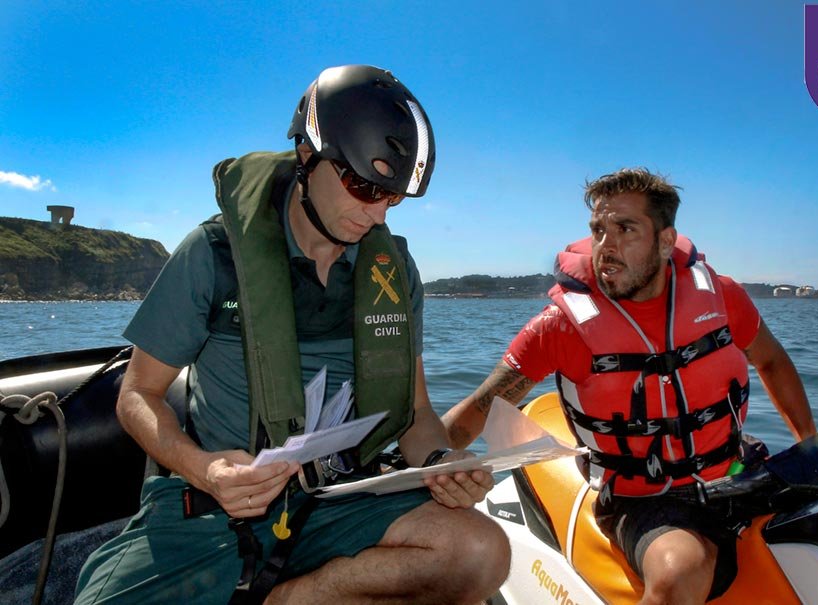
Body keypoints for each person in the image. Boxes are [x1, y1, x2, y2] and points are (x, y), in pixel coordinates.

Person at [74, 65, 509, 605]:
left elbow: (417, 415)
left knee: (481, 552)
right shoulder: (213, 256)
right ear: (308, 156)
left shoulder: (394, 273)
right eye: (362, 185)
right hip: (216, 505)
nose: (375, 214)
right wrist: (204, 469)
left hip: (340, 500)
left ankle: (287, 598)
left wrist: (443, 464)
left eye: (392, 198)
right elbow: (138, 394)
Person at [443, 168, 816, 605]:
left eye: (625, 229)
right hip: (642, 499)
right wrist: (421, 463)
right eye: (599, 230)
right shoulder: (561, 327)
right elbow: (481, 406)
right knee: (681, 570)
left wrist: (810, 448)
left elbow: (771, 360)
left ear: (664, 240)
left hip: (735, 470)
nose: (606, 246)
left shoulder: (721, 296)